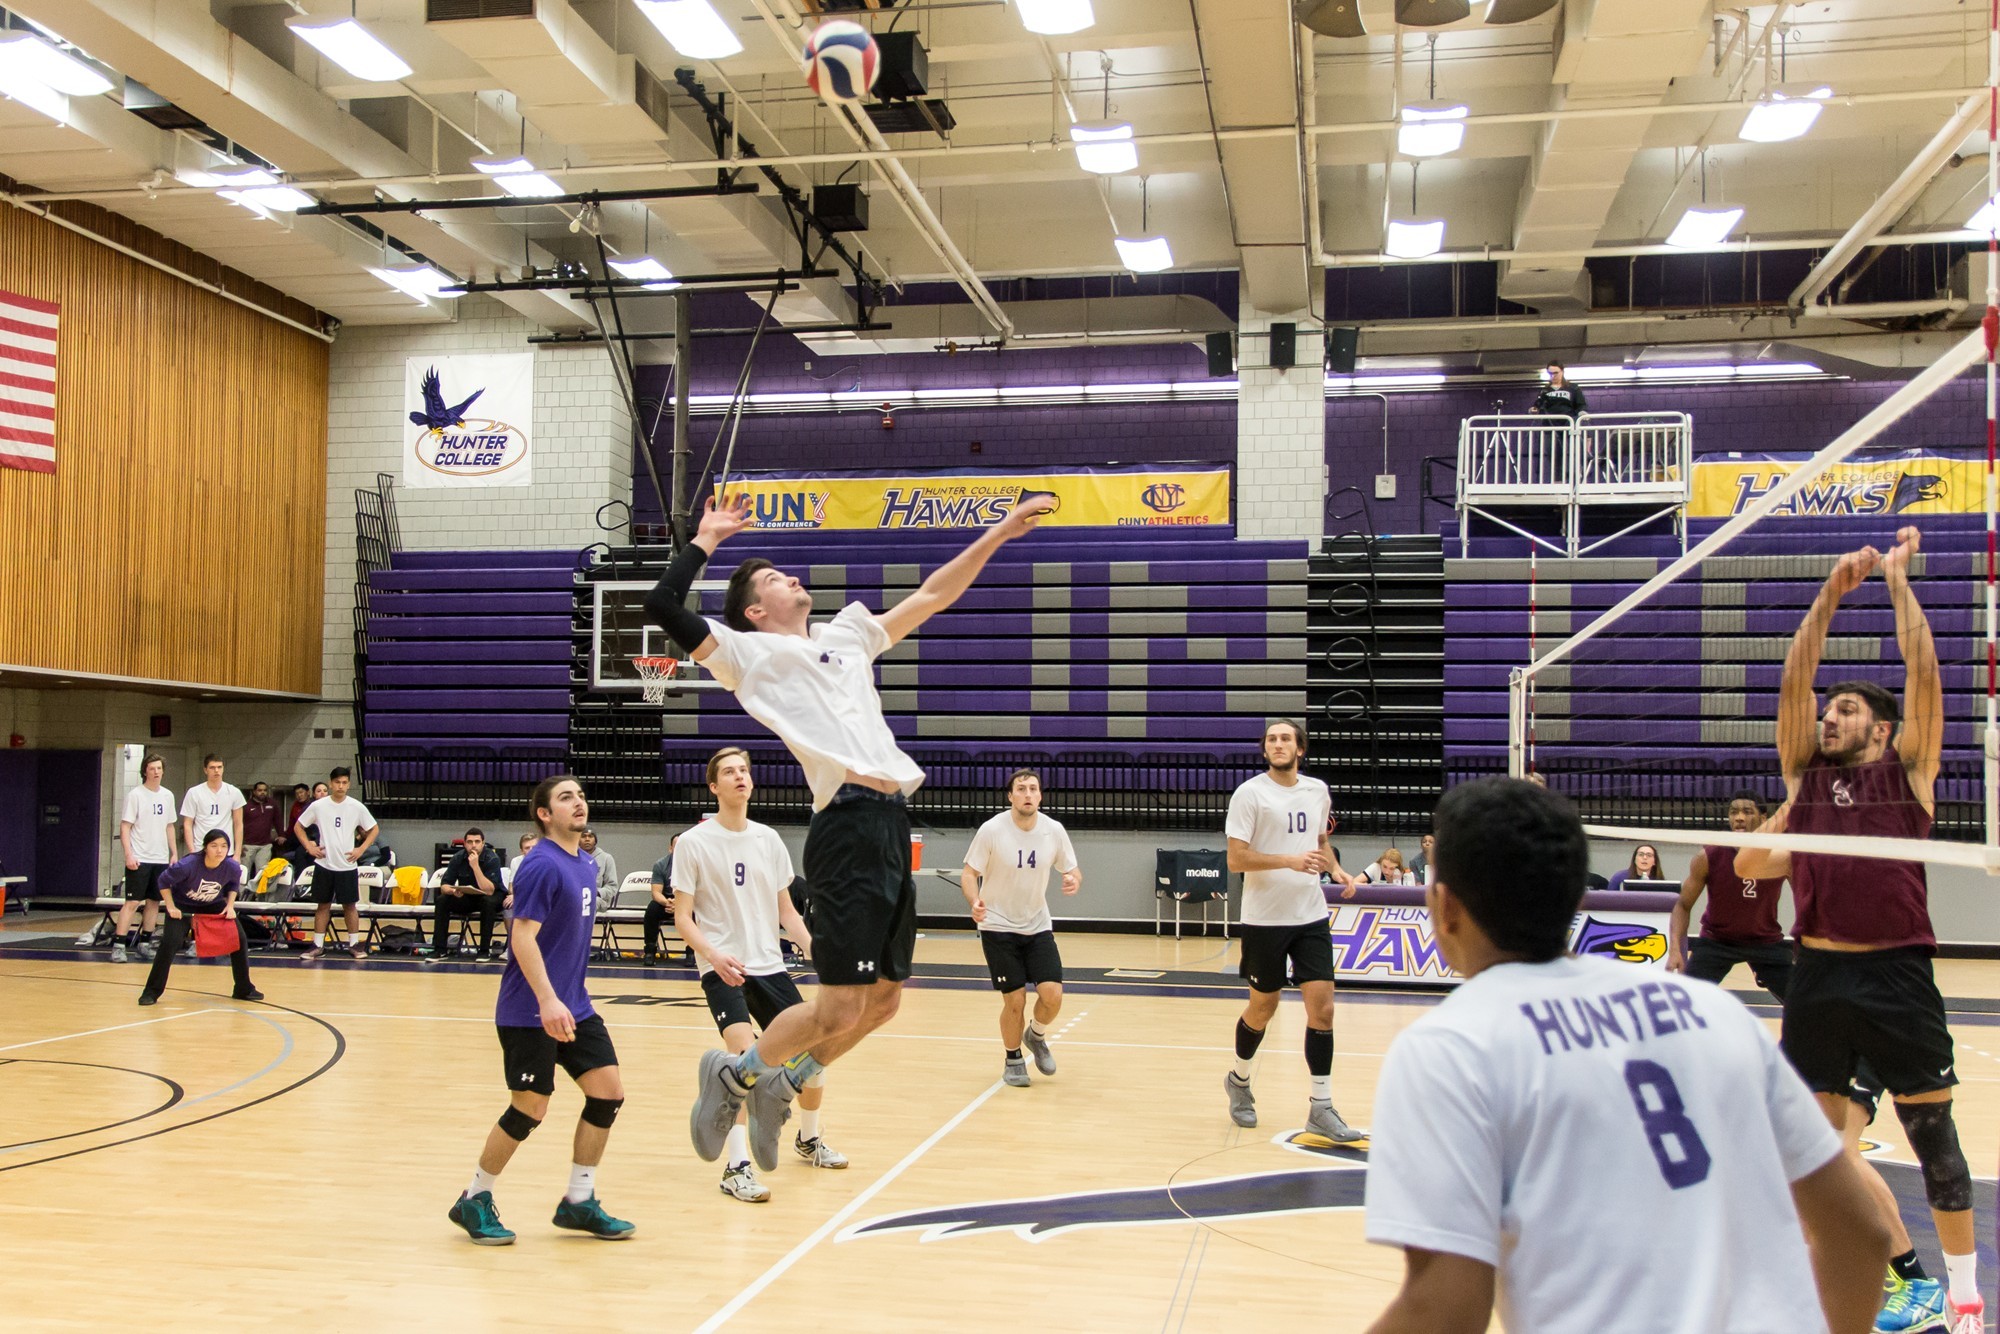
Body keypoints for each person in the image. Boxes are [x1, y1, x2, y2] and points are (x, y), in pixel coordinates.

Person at [1363, 777, 1889, 1334]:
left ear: (1445, 907)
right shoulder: (1715, 1012)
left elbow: (1445, 1307)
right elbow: (1862, 1233)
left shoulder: (1452, 1046)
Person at [646, 489, 1053, 1175]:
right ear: (753, 610)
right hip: (846, 829)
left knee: (885, 1003)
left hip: (893, 821)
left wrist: (1000, 532)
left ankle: (782, 1077)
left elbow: (930, 596)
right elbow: (661, 608)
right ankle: (737, 1074)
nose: (793, 579)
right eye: (775, 580)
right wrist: (707, 540)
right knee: (837, 1006)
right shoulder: (744, 655)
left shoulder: (847, 634)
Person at [1734, 527, 1983, 1334]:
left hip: (1898, 974)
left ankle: (1966, 1295)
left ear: (1880, 728)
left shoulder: (1908, 772)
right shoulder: (1803, 779)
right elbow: (1792, 678)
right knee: (1815, 1151)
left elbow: (1927, 679)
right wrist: (1831, 593)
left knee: (1933, 1138)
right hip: (1817, 975)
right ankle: (1852, 1289)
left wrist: (1900, 582)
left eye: (1846, 709)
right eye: (1828, 709)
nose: (1828, 715)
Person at [447, 775, 633, 1246]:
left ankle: (578, 1201)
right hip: (530, 1008)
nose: (579, 803)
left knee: (607, 1093)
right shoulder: (541, 865)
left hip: (575, 1004)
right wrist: (548, 1000)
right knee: (530, 1107)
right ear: (544, 814)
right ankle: (475, 1197)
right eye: (566, 798)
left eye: (581, 796)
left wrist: (565, 997)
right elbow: (522, 936)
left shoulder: (586, 863)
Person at [676, 748, 848, 1202]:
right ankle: (736, 1168)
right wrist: (712, 955)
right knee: (743, 1062)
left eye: (745, 771)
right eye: (729, 772)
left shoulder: (768, 839)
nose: (740, 777)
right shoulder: (694, 842)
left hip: (770, 966)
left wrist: (815, 949)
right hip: (723, 969)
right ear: (714, 786)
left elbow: (786, 911)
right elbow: (682, 918)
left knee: (815, 1053)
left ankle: (807, 1139)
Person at [1222, 719, 1361, 1142]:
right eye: (1271, 739)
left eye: (1286, 739)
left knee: (1324, 1009)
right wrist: (1287, 861)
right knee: (1263, 1008)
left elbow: (1318, 840)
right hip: (1265, 920)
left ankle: (1321, 1107)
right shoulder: (1250, 794)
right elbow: (1236, 860)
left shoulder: (1317, 790)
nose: (1278, 744)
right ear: (1265, 750)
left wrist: (1336, 869)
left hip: (1310, 916)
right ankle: (1239, 1080)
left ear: (1300, 749)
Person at [960, 768, 1082, 1088]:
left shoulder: (1052, 831)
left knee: (1052, 994)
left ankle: (1036, 1035)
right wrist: (974, 901)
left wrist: (1072, 879)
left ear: (1040, 796)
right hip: (997, 925)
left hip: (1036, 923)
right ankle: (1013, 1058)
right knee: (1014, 1000)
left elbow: (1073, 870)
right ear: (1010, 796)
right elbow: (969, 874)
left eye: (1033, 789)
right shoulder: (992, 830)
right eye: (1021, 789)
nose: (1028, 794)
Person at [1667, 792, 1793, 996]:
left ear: (1763, 818)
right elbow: (1682, 905)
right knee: (1687, 999)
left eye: (1747, 812)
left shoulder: (1778, 855)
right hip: (1718, 940)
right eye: (1733, 812)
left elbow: (1804, 899)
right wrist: (1674, 949)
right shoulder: (1709, 856)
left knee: (1802, 1002)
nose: (1739, 818)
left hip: (1765, 942)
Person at [138, 829, 263, 1007]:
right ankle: (151, 991)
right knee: (169, 945)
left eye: (224, 846)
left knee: (239, 939)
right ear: (205, 848)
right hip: (182, 906)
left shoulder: (232, 866)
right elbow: (163, 882)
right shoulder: (187, 865)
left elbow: (233, 884)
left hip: (213, 904)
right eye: (214, 846)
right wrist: (171, 907)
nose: (219, 850)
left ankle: (243, 988)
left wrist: (230, 906)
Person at [295, 767, 378, 962]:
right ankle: (317, 945)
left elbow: (374, 829)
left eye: (344, 782)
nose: (340, 786)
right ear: (331, 783)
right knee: (322, 905)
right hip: (324, 863)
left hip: (347, 865)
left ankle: (354, 944)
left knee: (350, 906)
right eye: (337, 782)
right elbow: (299, 826)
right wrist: (309, 846)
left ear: (348, 784)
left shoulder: (356, 806)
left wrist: (361, 849)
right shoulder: (319, 806)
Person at [110, 754, 177, 963]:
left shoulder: (168, 796)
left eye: (159, 768)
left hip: (160, 858)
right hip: (139, 858)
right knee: (132, 901)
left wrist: (174, 853)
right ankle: (119, 945)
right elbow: (125, 826)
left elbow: (169, 825)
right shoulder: (136, 795)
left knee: (154, 902)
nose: (156, 772)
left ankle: (145, 943)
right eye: (152, 768)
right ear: (145, 771)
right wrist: (128, 854)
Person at [424, 827, 506, 963]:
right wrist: (452, 891)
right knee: (442, 900)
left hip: (493, 897)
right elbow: (444, 885)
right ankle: (440, 949)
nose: (473, 845)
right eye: (470, 842)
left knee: (488, 902)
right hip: (469, 896)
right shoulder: (458, 858)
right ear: (464, 843)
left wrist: (475, 867)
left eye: (477, 841)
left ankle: (484, 950)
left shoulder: (492, 858)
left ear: (483, 843)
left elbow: (489, 890)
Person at [179, 754, 245, 857]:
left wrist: (237, 854)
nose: (216, 771)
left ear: (223, 768)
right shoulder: (194, 792)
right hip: (200, 850)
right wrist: (192, 852)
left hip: (226, 851)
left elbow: (238, 824)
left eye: (219, 767)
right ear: (205, 770)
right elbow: (188, 824)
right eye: (212, 767)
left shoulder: (234, 792)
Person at [239, 781, 283, 884]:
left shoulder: (272, 804)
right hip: (247, 845)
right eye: (259, 790)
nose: (262, 792)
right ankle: (242, 897)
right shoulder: (246, 806)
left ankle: (259, 897)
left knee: (262, 873)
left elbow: (278, 820)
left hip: (265, 845)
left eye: (264, 790)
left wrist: (281, 835)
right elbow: (238, 825)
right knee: (244, 872)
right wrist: (239, 844)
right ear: (254, 792)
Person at [644, 842, 675, 964]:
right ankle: (650, 951)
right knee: (652, 909)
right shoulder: (661, 864)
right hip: (665, 899)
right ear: (670, 848)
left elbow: (697, 892)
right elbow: (656, 893)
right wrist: (668, 903)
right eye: (676, 846)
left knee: (698, 911)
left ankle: (691, 953)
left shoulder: (695, 863)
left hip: (687, 900)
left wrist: (679, 904)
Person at [580, 828, 619, 912]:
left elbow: (612, 886)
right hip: (577, 896)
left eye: (590, 836)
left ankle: (585, 925)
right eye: (583, 836)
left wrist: (597, 892)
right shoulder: (572, 857)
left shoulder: (606, 858)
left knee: (589, 902)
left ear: (595, 841)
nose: (587, 839)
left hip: (599, 899)